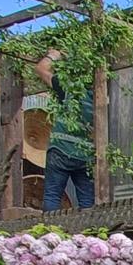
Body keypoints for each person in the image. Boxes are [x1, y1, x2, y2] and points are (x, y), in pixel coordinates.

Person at [33, 48, 94, 211]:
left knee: (53, 195)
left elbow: (41, 69)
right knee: (87, 201)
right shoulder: (99, 98)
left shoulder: (69, 88)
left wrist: (53, 55)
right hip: (85, 155)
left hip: (60, 150)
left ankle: (51, 231)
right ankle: (89, 233)